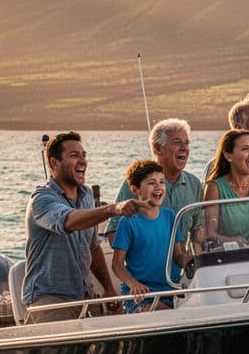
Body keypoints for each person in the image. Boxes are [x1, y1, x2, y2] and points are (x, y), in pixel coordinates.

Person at [23, 132, 140, 323]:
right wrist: (113, 209)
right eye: (74, 155)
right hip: (50, 299)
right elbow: (68, 221)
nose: (82, 161)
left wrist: (109, 289)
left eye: (84, 155)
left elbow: (93, 247)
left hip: (84, 297)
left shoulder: (86, 196)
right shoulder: (41, 199)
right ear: (54, 164)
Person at [104, 118, 203, 248]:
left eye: (187, 143)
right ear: (157, 148)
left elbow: (199, 233)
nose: (184, 148)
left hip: (179, 265)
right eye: (177, 142)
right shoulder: (136, 182)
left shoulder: (194, 184)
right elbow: (114, 230)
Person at [110, 159, 183, 312]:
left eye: (162, 182)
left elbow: (177, 255)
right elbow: (117, 264)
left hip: (173, 289)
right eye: (151, 183)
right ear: (135, 190)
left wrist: (194, 261)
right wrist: (132, 284)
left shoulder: (170, 216)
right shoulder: (128, 222)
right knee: (162, 312)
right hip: (142, 294)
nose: (159, 188)